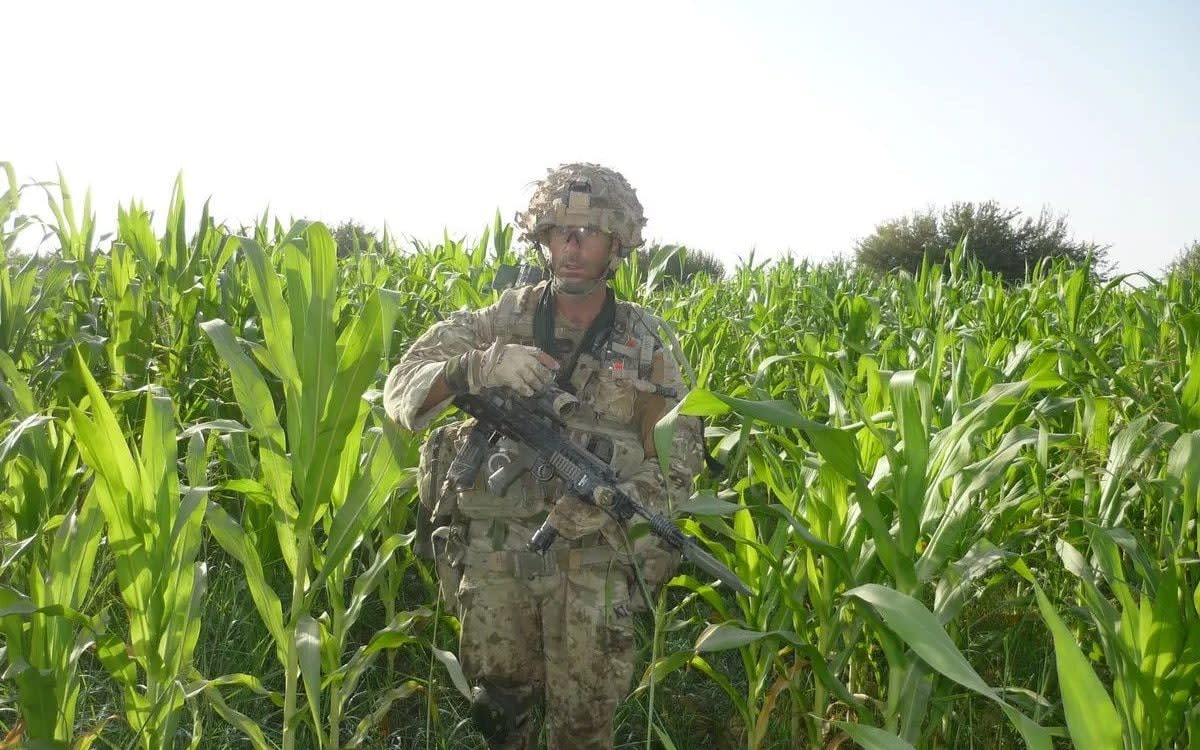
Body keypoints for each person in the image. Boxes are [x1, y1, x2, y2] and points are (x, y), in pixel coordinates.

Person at [383, 163, 704, 749]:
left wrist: (618, 503)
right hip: (495, 559)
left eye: (588, 233)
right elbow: (401, 390)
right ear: (542, 238)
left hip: (591, 567)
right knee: (501, 715)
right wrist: (474, 367)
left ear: (618, 244)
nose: (572, 247)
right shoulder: (497, 321)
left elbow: (678, 460)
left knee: (583, 729)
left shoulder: (647, 343)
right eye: (559, 232)